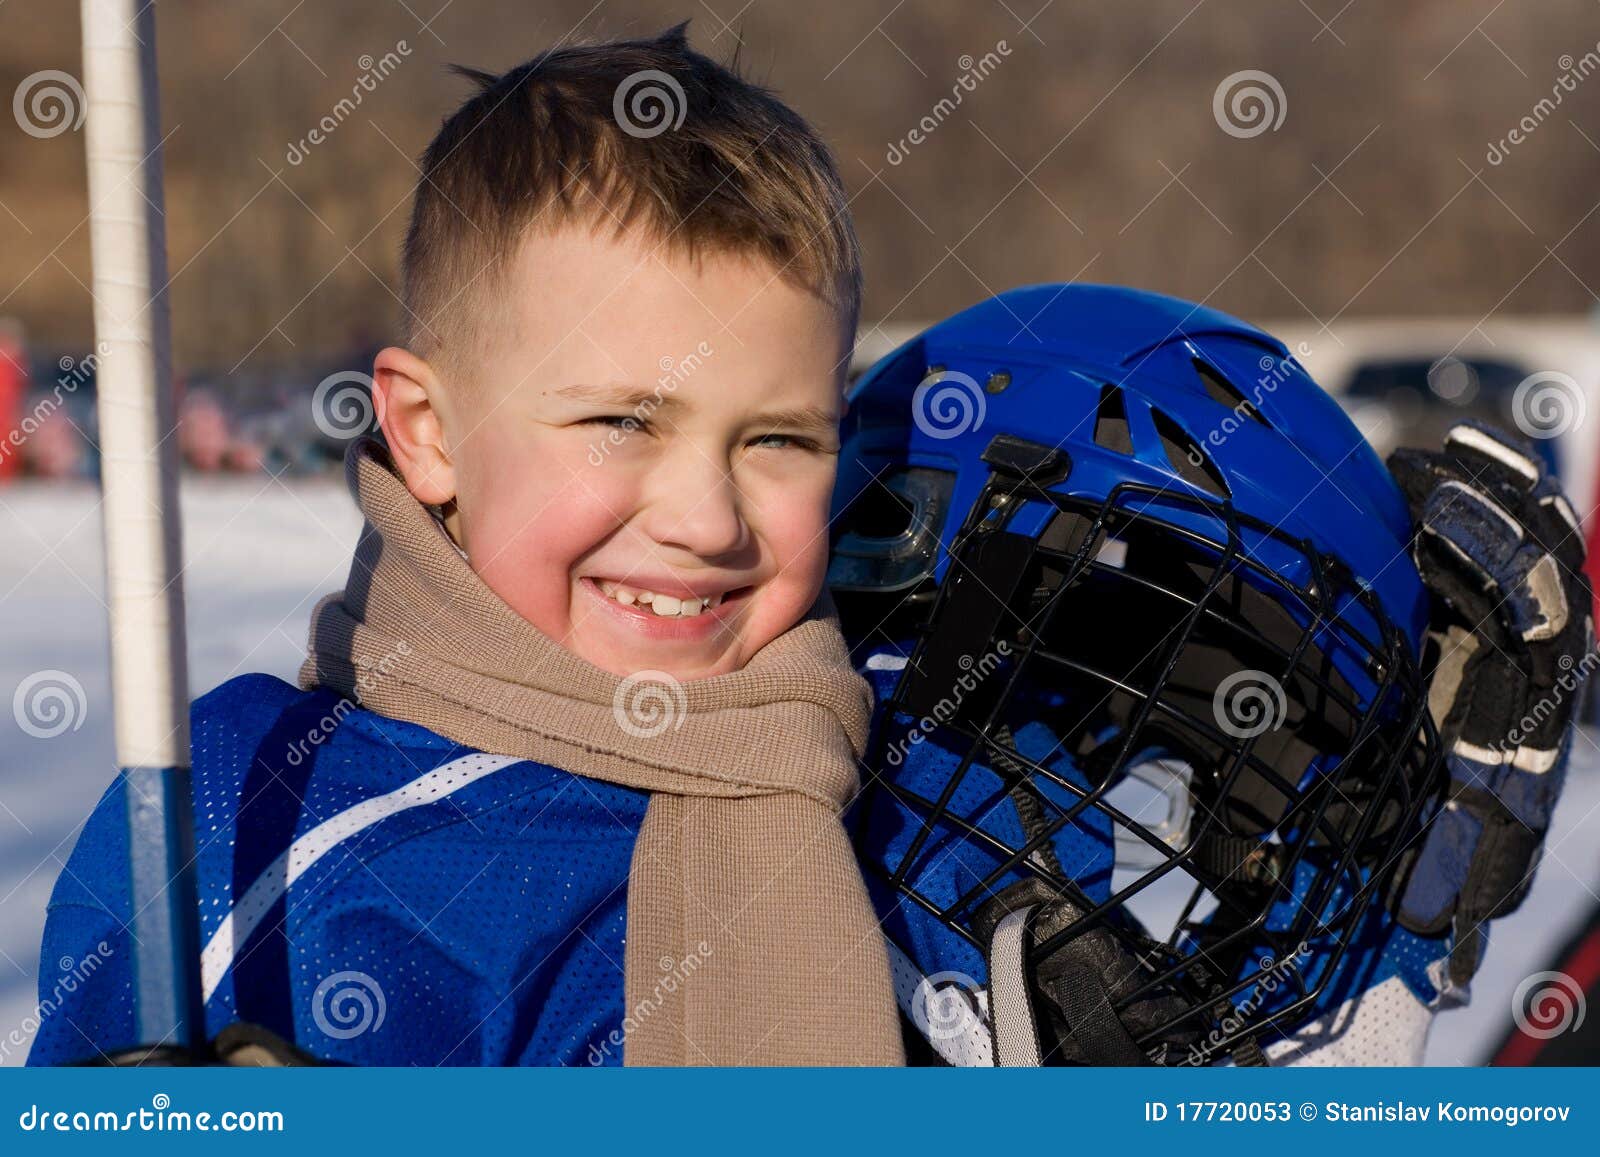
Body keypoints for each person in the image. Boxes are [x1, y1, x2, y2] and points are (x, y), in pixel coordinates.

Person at [30, 24, 904, 1067]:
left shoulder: (912, 779)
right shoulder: (247, 817)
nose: (707, 520)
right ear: (430, 432)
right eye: (622, 422)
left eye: (778, 438)